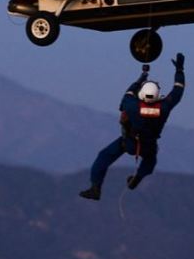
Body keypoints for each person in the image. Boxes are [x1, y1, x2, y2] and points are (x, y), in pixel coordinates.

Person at [79, 54, 186, 200]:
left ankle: (95, 188)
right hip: (148, 145)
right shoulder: (164, 107)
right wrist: (179, 70)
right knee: (150, 160)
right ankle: (138, 176)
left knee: (104, 156)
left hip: (128, 142)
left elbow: (128, 94)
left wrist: (141, 78)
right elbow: (178, 91)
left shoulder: (132, 105)